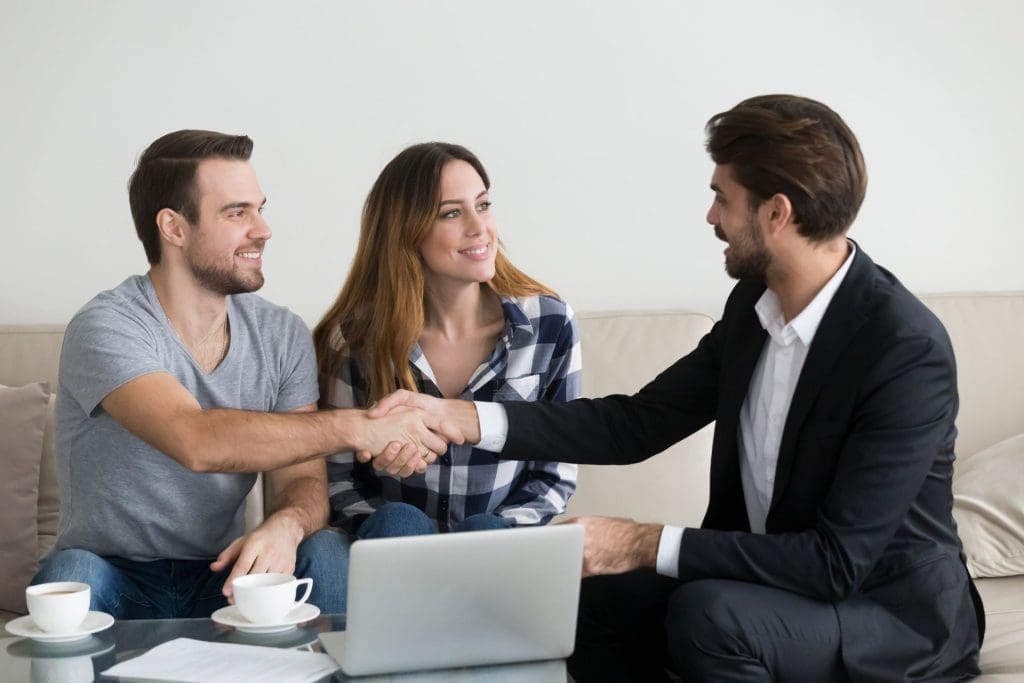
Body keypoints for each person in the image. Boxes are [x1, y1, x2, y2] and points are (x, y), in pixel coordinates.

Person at [367, 96, 985, 681]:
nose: (711, 216)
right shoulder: (754, 308)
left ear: (776, 212)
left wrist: (639, 542)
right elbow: (635, 424)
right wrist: (464, 418)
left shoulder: (904, 350)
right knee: (584, 603)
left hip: (889, 617)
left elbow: (834, 562)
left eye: (723, 198)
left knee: (711, 617)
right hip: (770, 588)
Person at [32, 130, 454, 620]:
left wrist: (288, 524)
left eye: (260, 208)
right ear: (174, 227)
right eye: (237, 213)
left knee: (329, 553)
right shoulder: (106, 326)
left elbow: (300, 477)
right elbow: (197, 440)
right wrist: (363, 426)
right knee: (73, 576)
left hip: (225, 576)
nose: (263, 229)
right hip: (113, 576)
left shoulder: (281, 333)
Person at [313, 142, 580, 539]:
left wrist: (496, 535)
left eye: (483, 205)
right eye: (452, 213)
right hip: (392, 552)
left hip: (495, 551)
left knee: (486, 532)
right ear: (407, 231)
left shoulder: (549, 325)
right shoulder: (353, 340)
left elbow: (554, 473)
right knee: (396, 522)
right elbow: (339, 478)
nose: (479, 227)